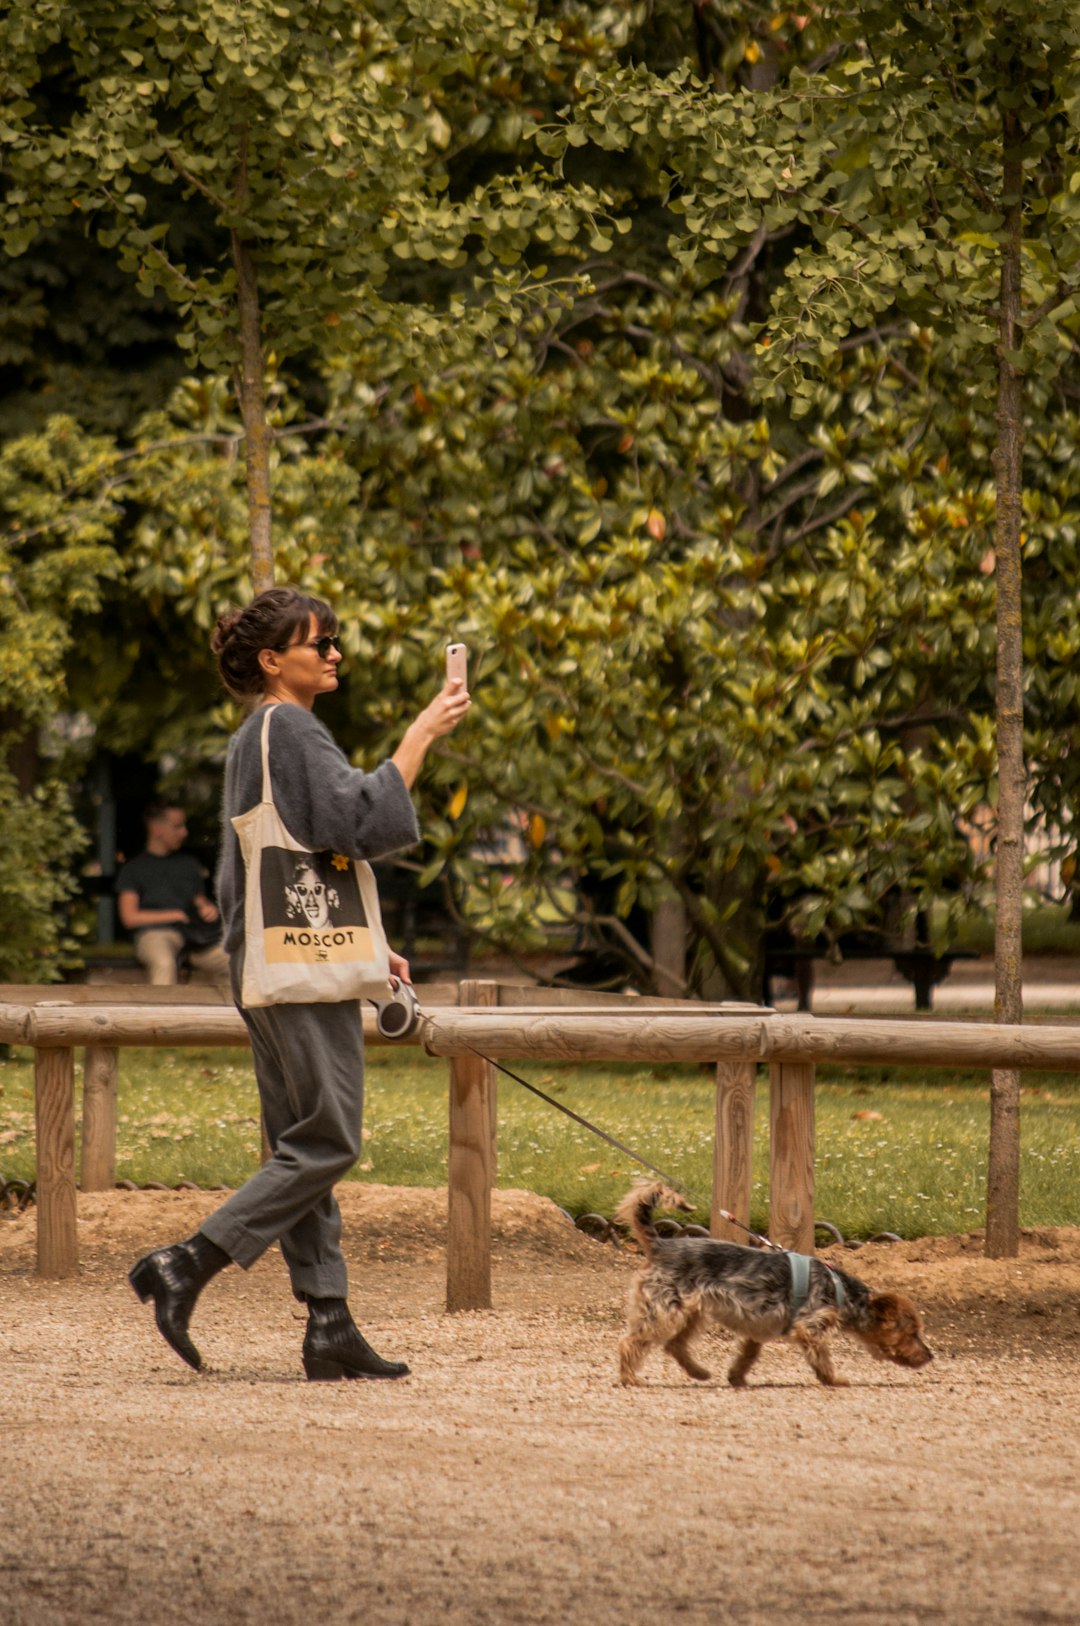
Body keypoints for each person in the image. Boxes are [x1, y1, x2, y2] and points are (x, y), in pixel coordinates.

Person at [129, 586, 470, 1381]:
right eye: (319, 643)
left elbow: (282, 858)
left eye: (334, 640)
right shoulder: (292, 726)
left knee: (297, 1142)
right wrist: (422, 733)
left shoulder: (258, 734)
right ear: (272, 661)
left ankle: (330, 1322)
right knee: (328, 1139)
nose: (334, 653)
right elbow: (354, 821)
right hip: (297, 972)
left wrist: (365, 944)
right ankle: (188, 1262)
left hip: (271, 960)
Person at [116, 803, 230, 986]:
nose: (184, 833)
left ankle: (236, 1014)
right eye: (177, 826)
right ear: (156, 828)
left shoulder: (189, 864)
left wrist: (207, 909)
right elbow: (129, 917)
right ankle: (161, 1015)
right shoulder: (133, 869)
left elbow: (198, 900)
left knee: (233, 962)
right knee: (164, 963)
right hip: (155, 934)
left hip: (193, 937)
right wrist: (174, 915)